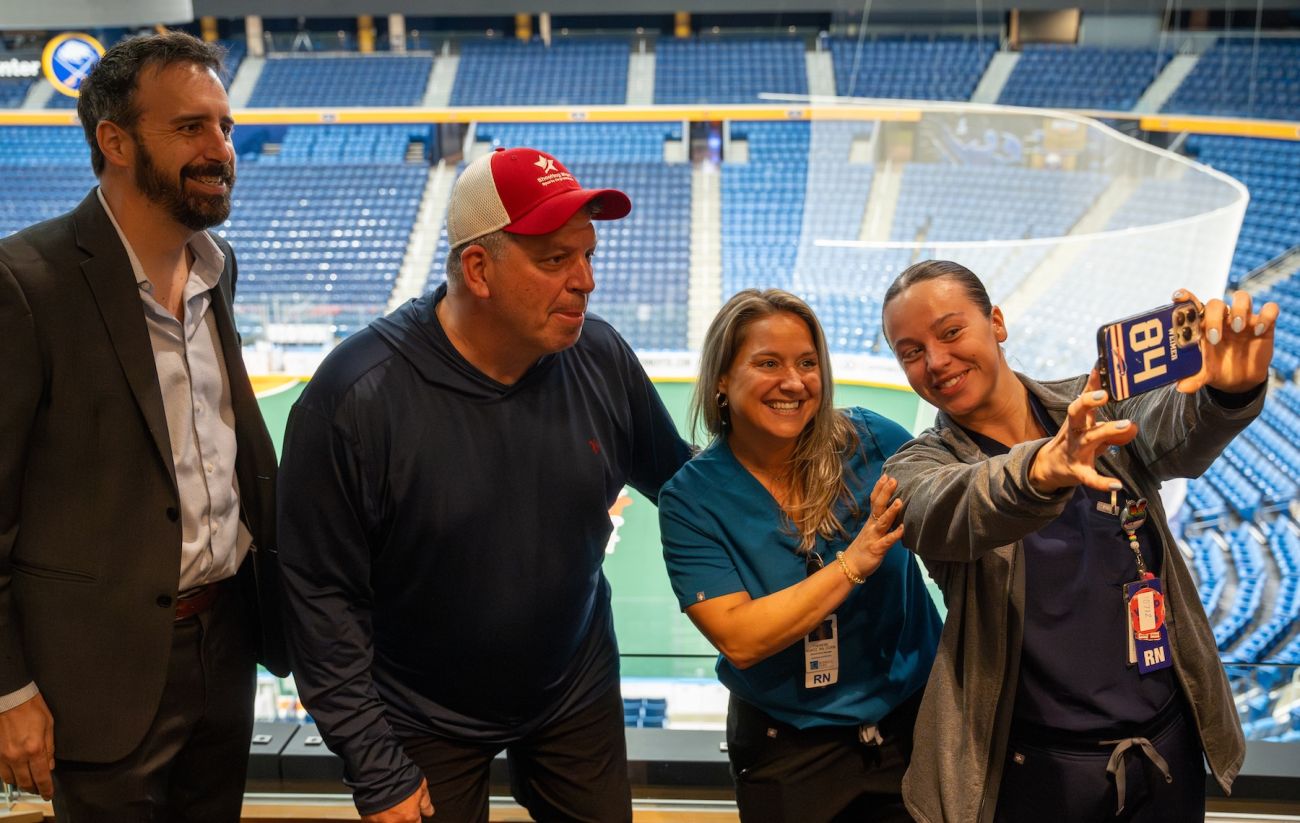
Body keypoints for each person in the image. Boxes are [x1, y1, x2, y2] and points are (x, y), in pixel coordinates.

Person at [277, 146, 692, 823]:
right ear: (478, 269)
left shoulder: (601, 355)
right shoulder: (358, 396)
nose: (585, 281)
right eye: (556, 259)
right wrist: (375, 764)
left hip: (572, 684)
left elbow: (680, 479)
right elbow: (318, 596)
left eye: (588, 256)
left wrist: (793, 485)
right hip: (418, 710)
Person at [0, 31, 287, 822]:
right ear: (115, 141)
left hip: (224, 646)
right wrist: (9, 688)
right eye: (191, 127)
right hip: (96, 675)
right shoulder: (26, 284)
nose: (221, 148)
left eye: (225, 127)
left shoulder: (216, 266)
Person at [879, 259, 1278, 823]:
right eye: (910, 351)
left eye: (950, 332)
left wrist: (1227, 394)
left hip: (1165, 747)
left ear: (996, 321)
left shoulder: (1093, 403)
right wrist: (1043, 467)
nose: (936, 361)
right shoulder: (920, 465)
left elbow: (1175, 428)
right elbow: (947, 507)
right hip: (1034, 769)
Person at [659, 289, 942, 822]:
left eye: (807, 363)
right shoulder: (690, 499)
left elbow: (957, 526)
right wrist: (854, 563)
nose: (794, 382)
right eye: (768, 363)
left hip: (915, 725)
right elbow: (741, 637)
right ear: (722, 378)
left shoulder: (875, 441)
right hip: (786, 749)